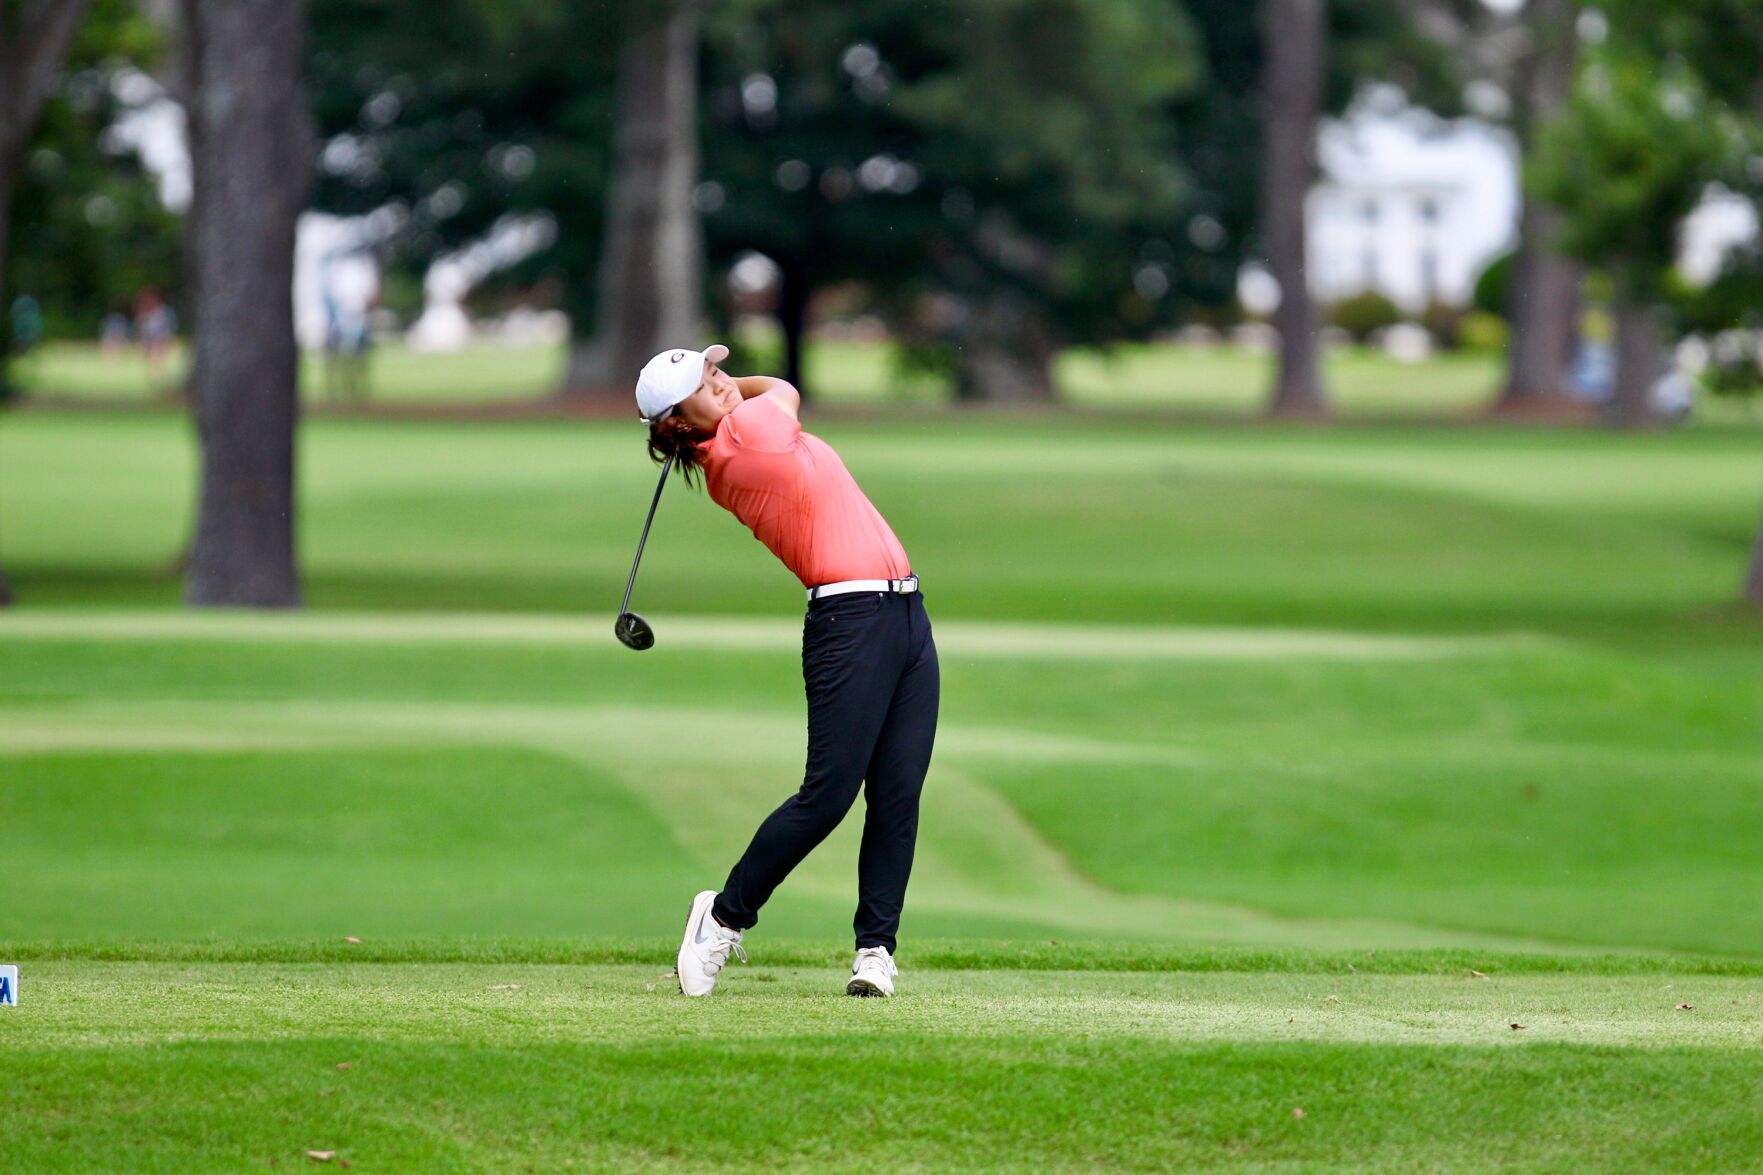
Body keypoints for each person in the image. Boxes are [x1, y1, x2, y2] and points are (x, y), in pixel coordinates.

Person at [637, 343, 939, 999]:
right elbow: (781, 389)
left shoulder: (733, 433)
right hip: (848, 621)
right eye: (701, 382)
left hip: (905, 614)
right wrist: (728, 395)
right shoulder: (743, 445)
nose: (718, 382)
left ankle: (874, 951)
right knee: (826, 796)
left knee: (897, 794)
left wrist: (713, 390)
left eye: (713, 371)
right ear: (677, 424)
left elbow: (767, 389)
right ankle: (721, 916)